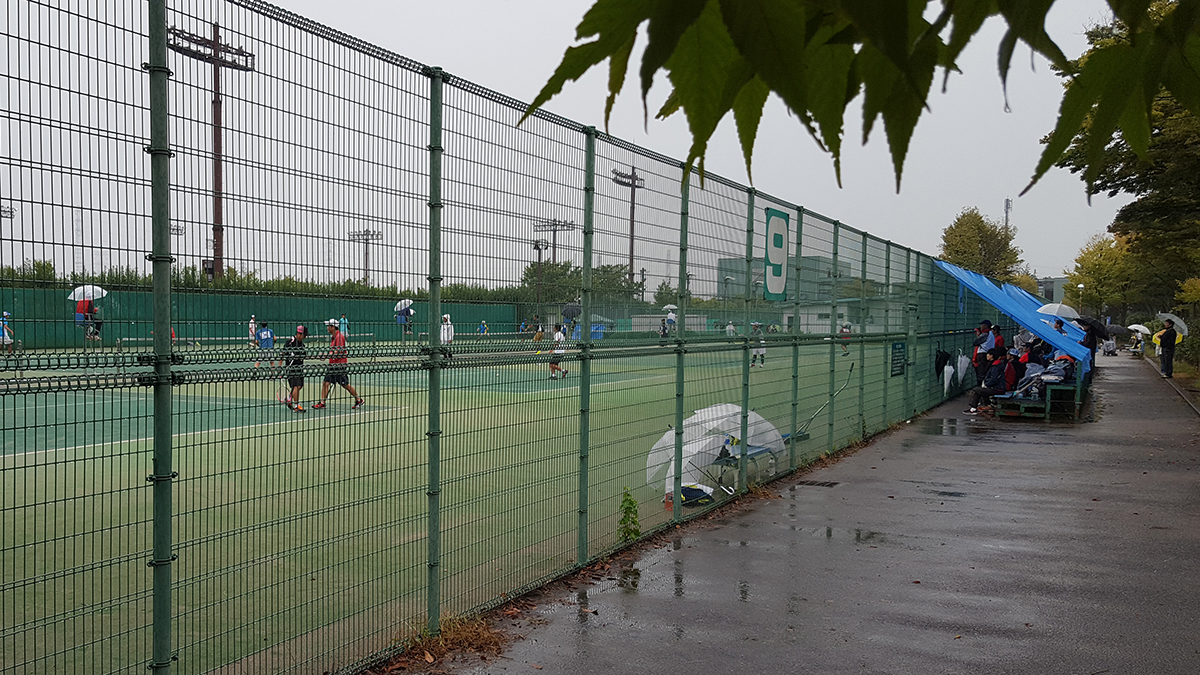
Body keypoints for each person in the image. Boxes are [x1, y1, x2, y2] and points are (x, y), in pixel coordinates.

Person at [312, 319, 364, 410]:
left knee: (345, 385)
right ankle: (322, 402)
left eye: (328, 326)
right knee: (325, 383)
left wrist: (326, 355)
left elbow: (338, 351)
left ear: (333, 327)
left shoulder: (339, 337)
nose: (327, 328)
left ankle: (358, 399)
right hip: (333, 365)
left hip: (339, 366)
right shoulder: (334, 337)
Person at [964, 348, 1008, 415]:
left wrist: (987, 384)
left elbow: (994, 379)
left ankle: (973, 409)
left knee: (977, 390)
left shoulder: (995, 367)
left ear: (992, 356)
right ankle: (988, 406)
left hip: (998, 388)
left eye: (988, 354)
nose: (987, 355)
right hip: (998, 387)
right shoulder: (996, 365)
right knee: (981, 391)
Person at [280, 325, 309, 413]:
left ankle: (289, 398)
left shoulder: (302, 345)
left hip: (300, 368)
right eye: (304, 335)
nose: (305, 337)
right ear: (299, 334)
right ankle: (296, 406)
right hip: (291, 369)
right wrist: (279, 367)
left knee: (299, 386)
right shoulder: (290, 342)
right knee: (296, 386)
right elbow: (282, 354)